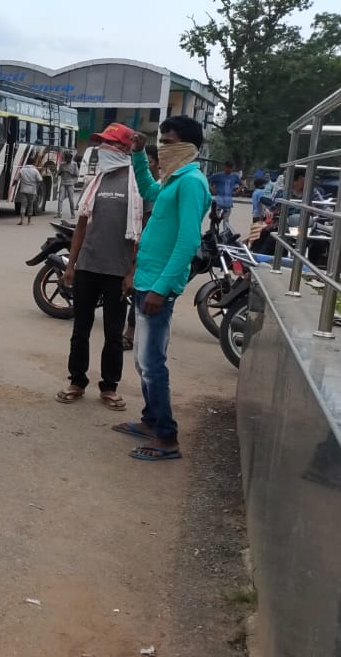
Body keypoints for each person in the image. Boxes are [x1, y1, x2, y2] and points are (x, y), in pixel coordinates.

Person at [113, 116, 211, 461]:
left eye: (168, 142)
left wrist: (161, 288)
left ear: (187, 146)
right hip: (147, 281)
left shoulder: (191, 183)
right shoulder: (172, 181)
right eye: (161, 141)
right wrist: (139, 155)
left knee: (152, 364)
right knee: (143, 361)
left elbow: (187, 242)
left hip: (159, 286)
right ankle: (151, 420)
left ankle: (167, 438)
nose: (163, 148)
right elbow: (147, 190)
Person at [54, 123, 145, 412]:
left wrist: (132, 271)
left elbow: (145, 233)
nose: (103, 149)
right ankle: (77, 381)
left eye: (109, 143)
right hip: (88, 267)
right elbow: (81, 225)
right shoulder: (97, 181)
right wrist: (72, 264)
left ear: (125, 149)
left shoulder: (139, 184)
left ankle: (109, 386)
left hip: (118, 271)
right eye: (101, 143)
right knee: (80, 330)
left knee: (113, 333)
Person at [123, 144, 159, 351]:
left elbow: (147, 223)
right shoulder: (133, 184)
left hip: (142, 245)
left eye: (150, 162)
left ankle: (131, 330)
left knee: (136, 287)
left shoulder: (153, 189)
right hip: (128, 241)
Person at [15, 159, 42, 225]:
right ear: (33, 163)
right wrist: (36, 185)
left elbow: (16, 179)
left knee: (23, 205)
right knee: (30, 205)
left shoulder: (22, 170)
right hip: (32, 190)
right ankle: (29, 221)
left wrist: (13, 185)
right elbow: (40, 180)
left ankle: (21, 220)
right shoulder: (35, 170)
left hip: (23, 189)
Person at [56, 151, 78, 219]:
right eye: (66, 159)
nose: (67, 160)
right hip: (63, 183)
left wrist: (70, 172)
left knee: (71, 199)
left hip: (70, 183)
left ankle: (73, 214)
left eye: (68, 159)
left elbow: (76, 174)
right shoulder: (62, 164)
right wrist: (62, 171)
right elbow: (58, 173)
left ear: (71, 159)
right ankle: (59, 213)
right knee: (60, 199)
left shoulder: (74, 164)